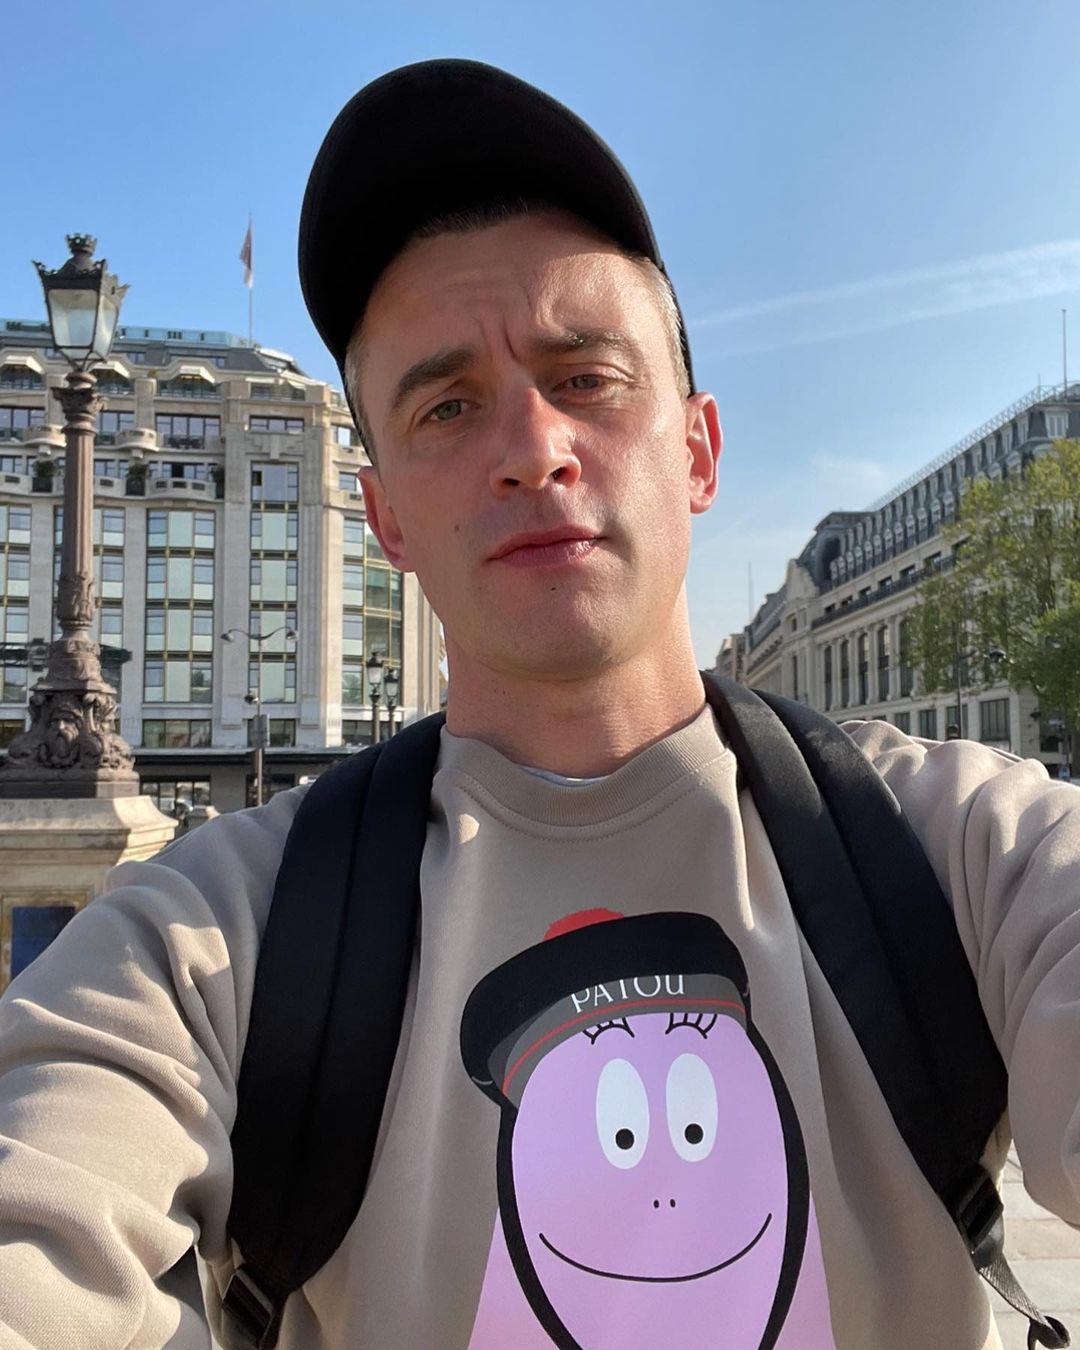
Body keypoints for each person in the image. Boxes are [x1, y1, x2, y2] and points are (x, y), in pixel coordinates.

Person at [1, 59, 1078, 1350]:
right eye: (448, 404)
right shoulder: (214, 941)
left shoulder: (962, 850)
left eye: (586, 377)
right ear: (385, 515)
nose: (530, 445)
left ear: (699, 450)